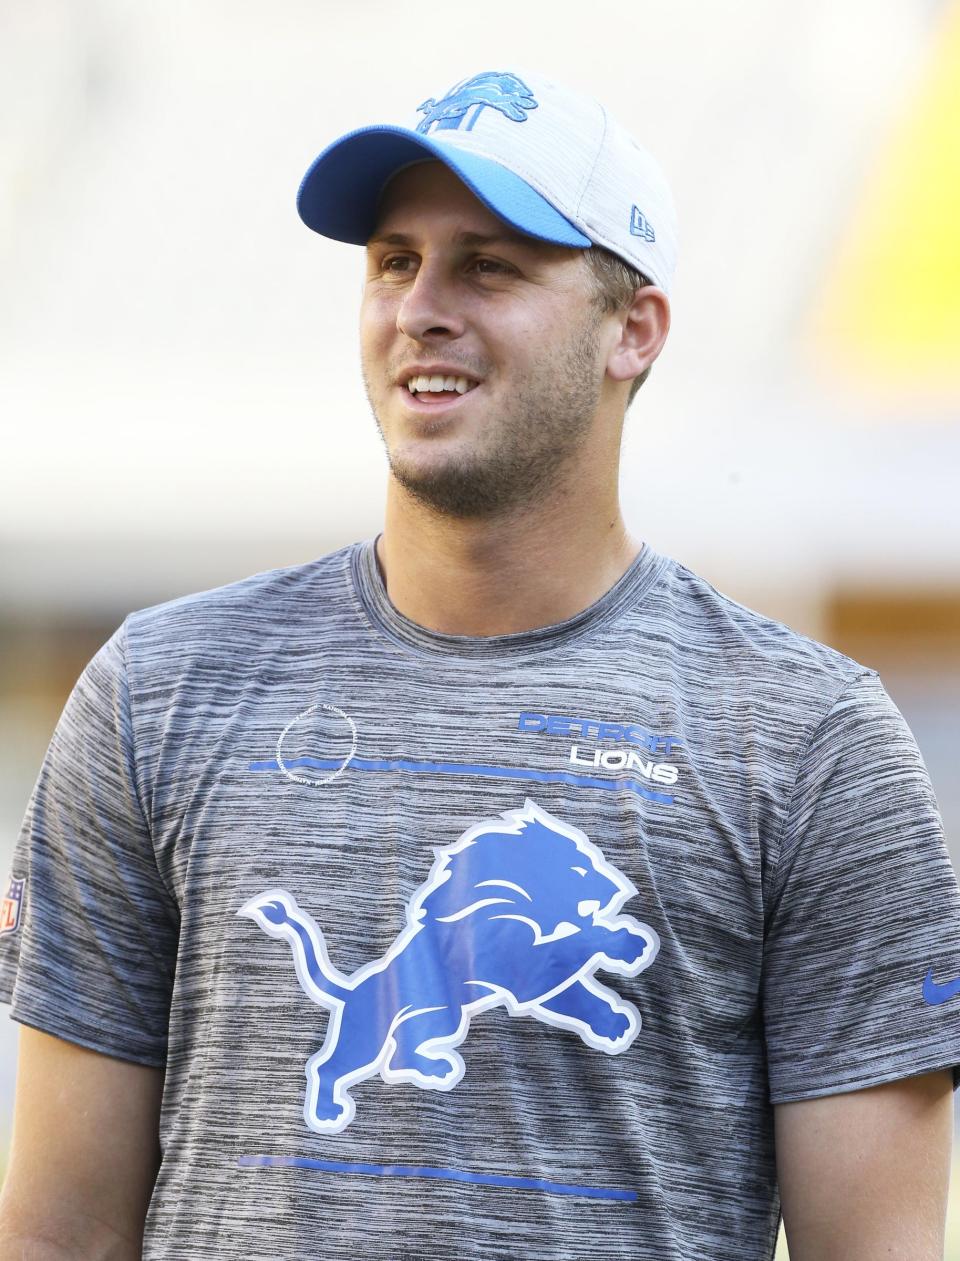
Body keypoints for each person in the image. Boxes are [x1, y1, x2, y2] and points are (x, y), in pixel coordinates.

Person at [0, 68, 957, 1261]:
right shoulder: (160, 690)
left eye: (490, 266)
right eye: (393, 261)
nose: (420, 309)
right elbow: (57, 1232)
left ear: (634, 328)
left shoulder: (809, 739)